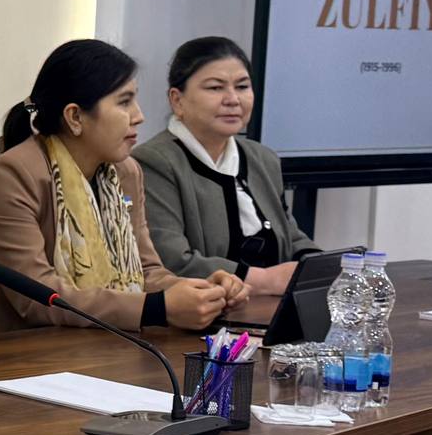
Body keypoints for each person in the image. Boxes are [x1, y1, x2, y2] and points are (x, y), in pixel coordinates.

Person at [0, 40, 240, 337]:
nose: (139, 115)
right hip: (11, 346)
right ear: (75, 117)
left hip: (97, 341)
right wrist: (157, 308)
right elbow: (37, 295)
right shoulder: (13, 174)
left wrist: (201, 293)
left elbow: (147, 272)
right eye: (124, 102)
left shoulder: (126, 171)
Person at [132, 37, 318, 293]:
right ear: (177, 100)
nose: (233, 99)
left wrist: (321, 266)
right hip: (204, 309)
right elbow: (170, 261)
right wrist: (265, 280)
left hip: (273, 306)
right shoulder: (153, 162)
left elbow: (290, 236)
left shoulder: (262, 158)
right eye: (215, 88)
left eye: (242, 86)